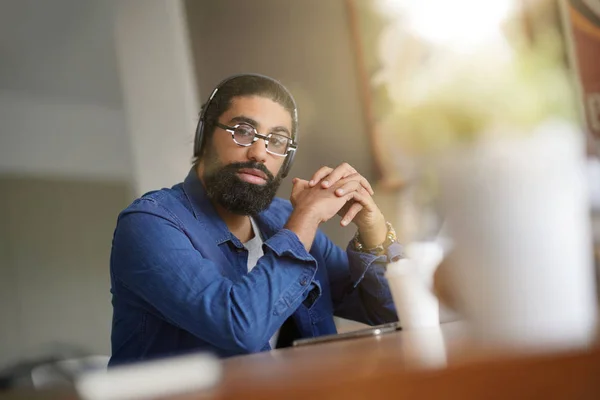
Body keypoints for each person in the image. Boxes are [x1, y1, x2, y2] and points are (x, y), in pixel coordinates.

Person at [108, 74, 402, 366]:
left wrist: (373, 230)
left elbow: (396, 311)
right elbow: (240, 328)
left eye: (276, 140)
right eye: (243, 131)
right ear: (206, 136)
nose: (259, 152)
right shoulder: (148, 224)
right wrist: (307, 217)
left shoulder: (285, 218)